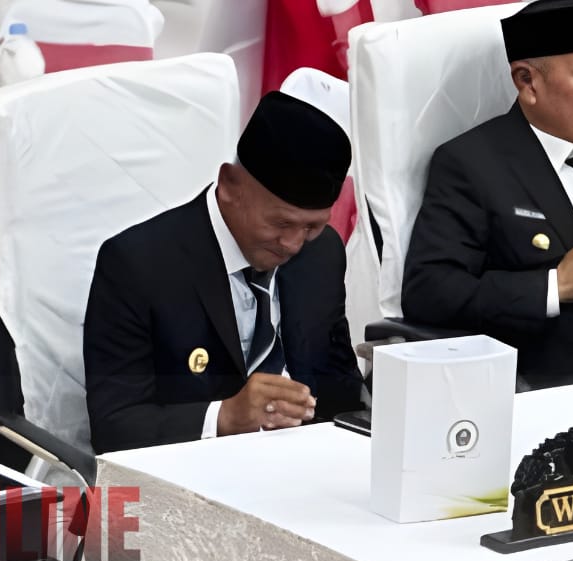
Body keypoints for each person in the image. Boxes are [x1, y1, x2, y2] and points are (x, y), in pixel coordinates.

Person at [83, 90, 364, 453]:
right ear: (230, 186)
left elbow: (340, 389)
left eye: (312, 226)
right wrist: (225, 417)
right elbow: (114, 426)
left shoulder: (322, 253)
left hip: (307, 462)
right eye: (281, 223)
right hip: (190, 468)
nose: (294, 244)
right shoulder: (137, 265)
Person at [403, 0, 573, 389]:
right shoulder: (472, 164)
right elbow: (429, 292)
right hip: (549, 386)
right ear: (528, 81)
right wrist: (555, 285)